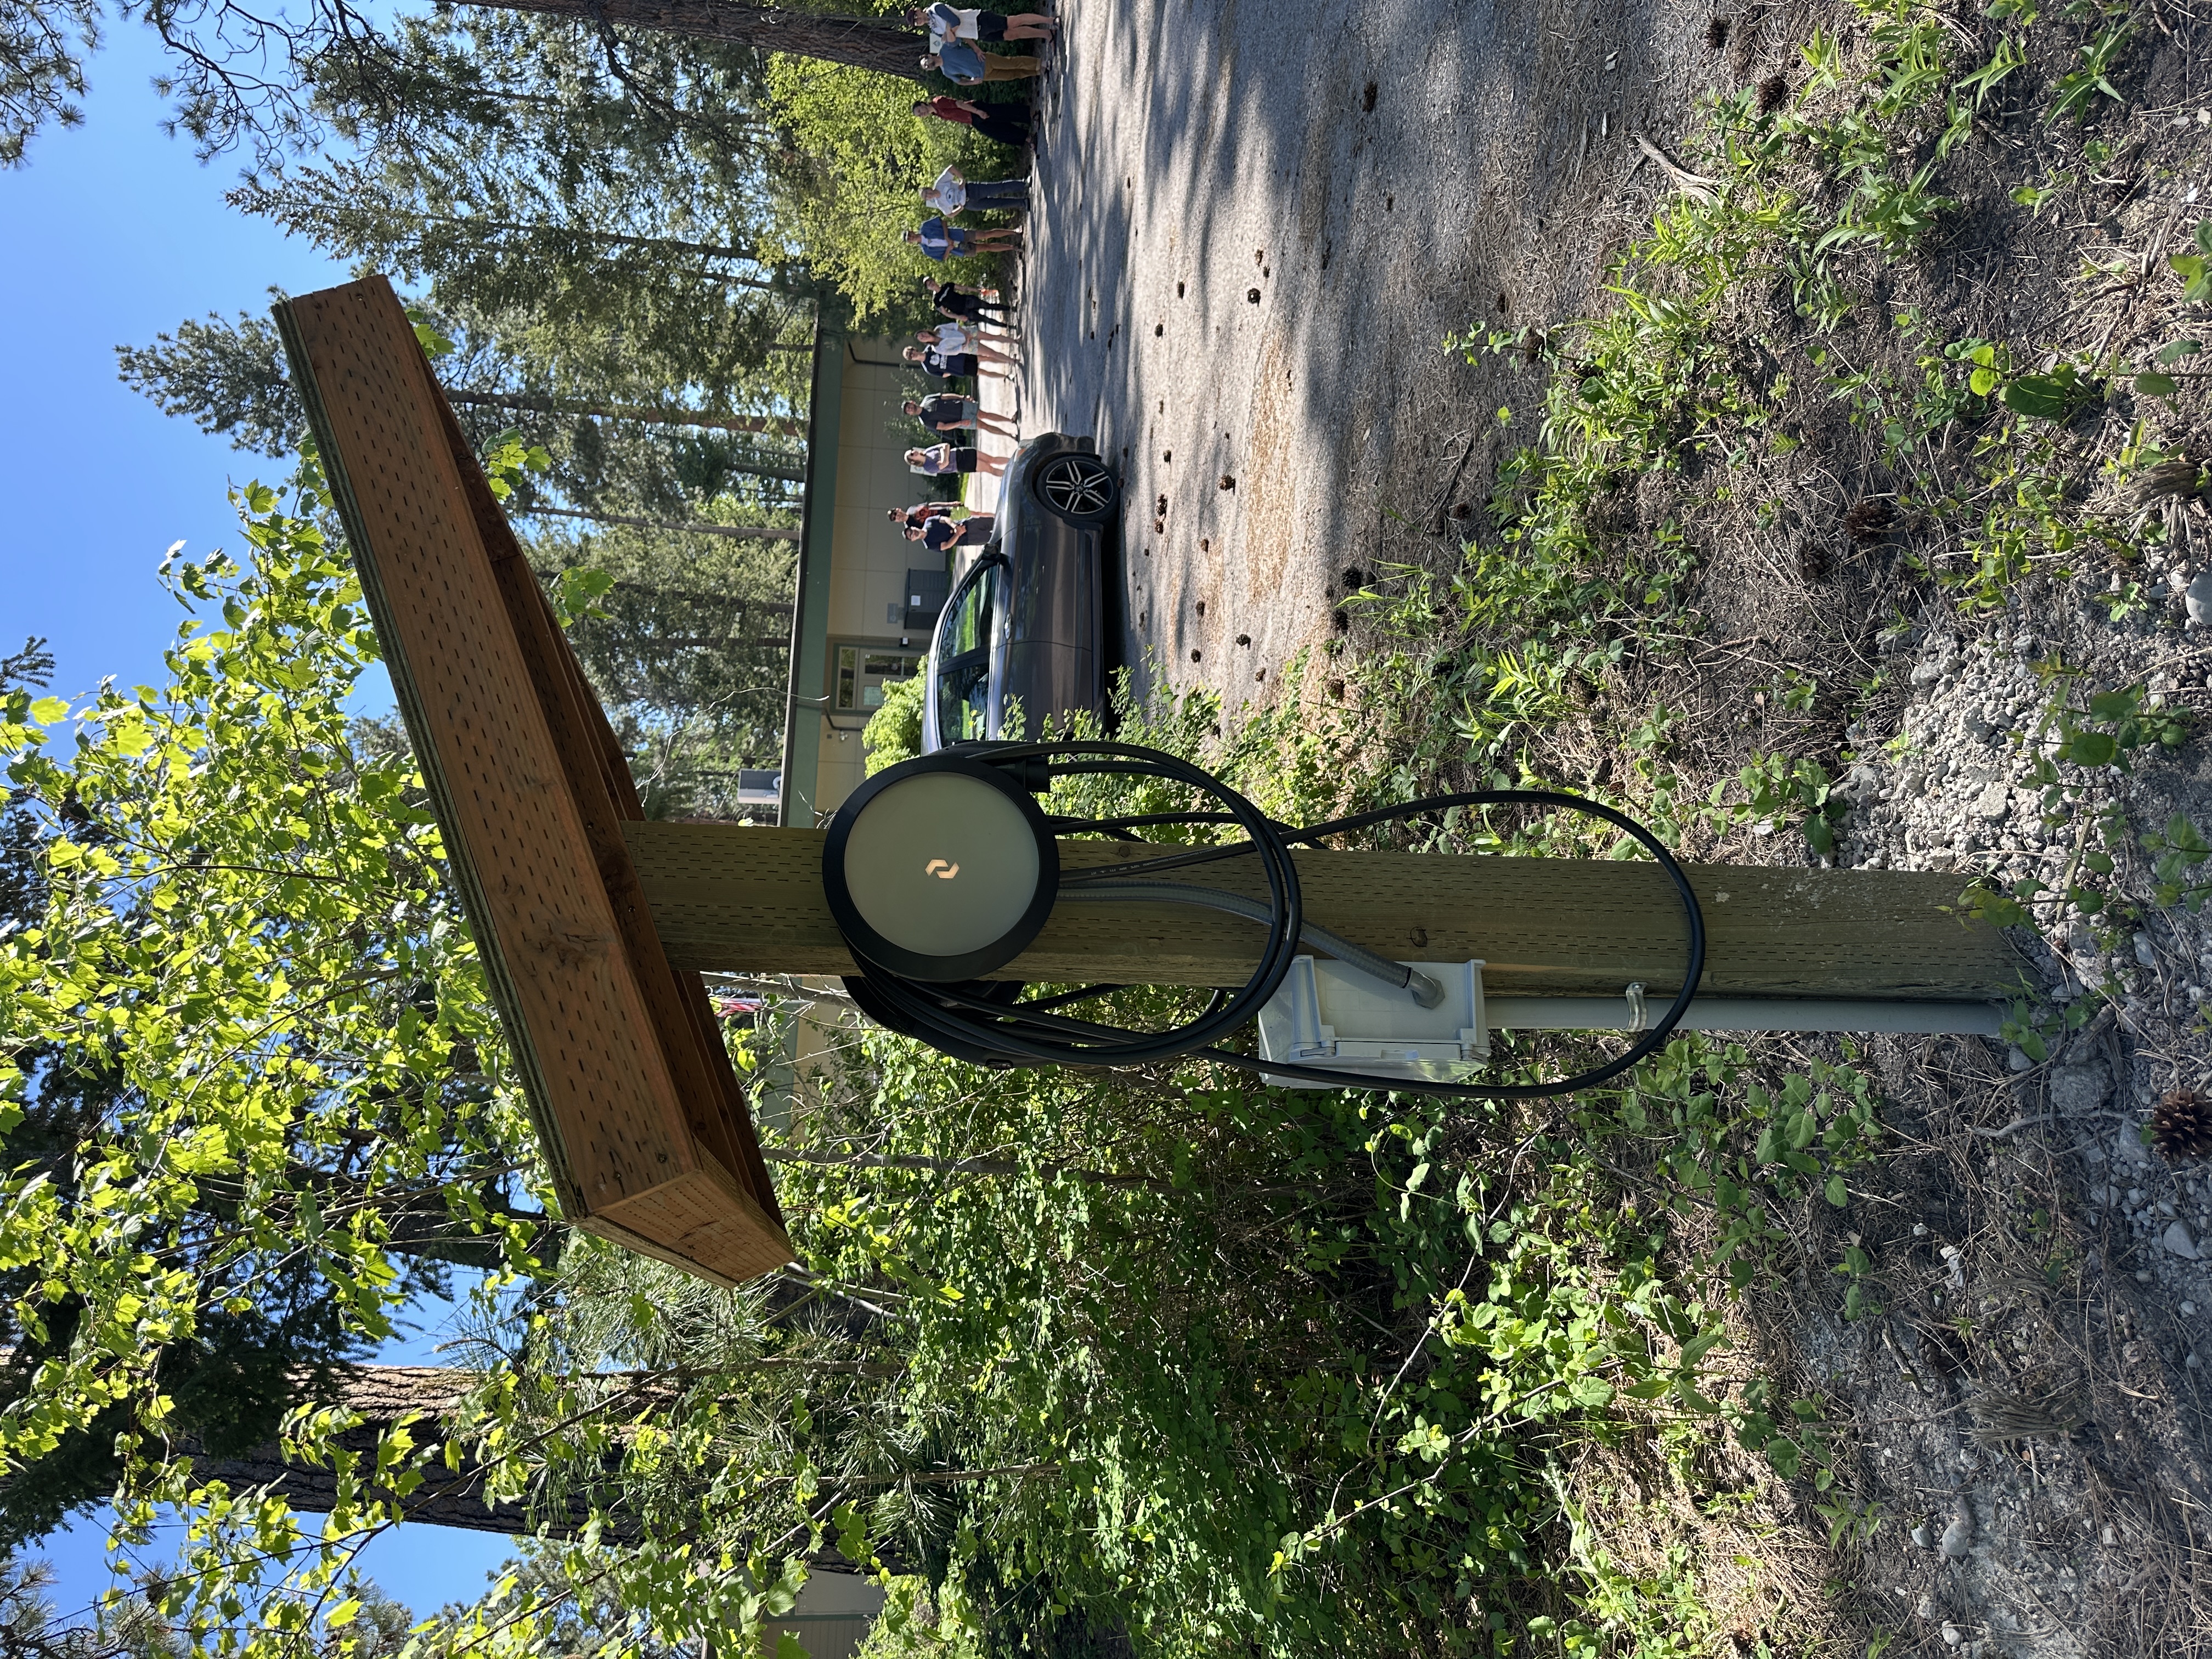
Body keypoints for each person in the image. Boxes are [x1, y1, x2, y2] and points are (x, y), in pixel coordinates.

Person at [912, 95, 1032, 148]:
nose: (922, 114)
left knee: (1003, 113)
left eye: (919, 110)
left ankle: (1031, 115)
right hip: (973, 121)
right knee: (999, 133)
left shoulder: (938, 102)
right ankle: (1027, 137)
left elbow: (959, 104)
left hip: (974, 111)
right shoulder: (936, 114)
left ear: (923, 104)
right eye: (919, 115)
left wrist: (977, 111)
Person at [921, 164, 1031, 217]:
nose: (929, 195)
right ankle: (1023, 202)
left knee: (998, 188)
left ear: (929, 188)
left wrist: (962, 180)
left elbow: (951, 168)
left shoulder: (939, 184)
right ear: (928, 199)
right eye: (927, 197)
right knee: (998, 204)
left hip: (972, 190)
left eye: (927, 192)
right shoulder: (940, 203)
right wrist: (960, 209)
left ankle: (1023, 184)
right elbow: (949, 215)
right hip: (971, 204)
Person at [905, 5, 1058, 42]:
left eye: (916, 17)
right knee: (1012, 35)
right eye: (916, 22)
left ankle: (1050, 21)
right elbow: (949, 43)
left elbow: (955, 21)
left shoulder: (935, 8)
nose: (918, 20)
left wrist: (949, 32)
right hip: (977, 34)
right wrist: (949, 33)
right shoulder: (934, 31)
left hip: (977, 20)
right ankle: (1046, 34)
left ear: (918, 11)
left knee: (1013, 22)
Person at [905, 393, 1016, 440]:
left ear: (912, 402)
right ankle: (1010, 435)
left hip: (962, 406)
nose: (910, 409)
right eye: (908, 411)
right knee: (984, 426)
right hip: (961, 419)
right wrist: (960, 423)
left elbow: (946, 396)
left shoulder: (927, 399)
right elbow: (943, 427)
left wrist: (962, 398)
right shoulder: (925, 422)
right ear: (910, 414)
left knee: (984, 414)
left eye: (909, 406)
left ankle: (1011, 420)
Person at [907, 217, 1020, 261]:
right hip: (959, 249)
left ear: (912, 231)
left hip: (960, 235)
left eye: (910, 234)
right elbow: (943, 259)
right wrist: (949, 249)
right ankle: (1012, 248)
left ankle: (1014, 232)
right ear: (911, 243)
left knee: (986, 234)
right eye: (909, 239)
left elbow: (943, 221)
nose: (911, 237)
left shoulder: (925, 227)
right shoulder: (926, 250)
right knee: (987, 247)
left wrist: (947, 237)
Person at [922, 45, 1042, 83]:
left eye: (926, 63)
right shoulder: (945, 72)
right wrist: (972, 82)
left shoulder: (945, 48)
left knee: (1012, 63)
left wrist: (977, 50)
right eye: (926, 68)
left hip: (985, 60)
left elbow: (960, 38)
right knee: (1011, 76)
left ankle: (1040, 63)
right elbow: (960, 81)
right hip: (984, 76)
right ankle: (1037, 71)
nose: (928, 67)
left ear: (929, 56)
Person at [923, 275, 1012, 324]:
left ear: (934, 281)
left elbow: (963, 288)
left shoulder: (947, 286)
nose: (931, 284)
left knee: (989, 306)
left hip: (968, 301)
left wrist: (978, 291)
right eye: (928, 285)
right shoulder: (936, 300)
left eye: (931, 282)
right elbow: (946, 313)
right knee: (986, 320)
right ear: (928, 289)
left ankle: (1011, 309)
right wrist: (959, 317)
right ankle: (1008, 327)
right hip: (963, 312)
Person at [904, 342, 1010, 383]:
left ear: (915, 349)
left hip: (961, 356)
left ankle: (1007, 361)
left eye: (912, 352)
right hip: (961, 369)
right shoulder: (928, 368)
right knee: (983, 372)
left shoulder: (931, 348)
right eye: (911, 357)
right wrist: (952, 369)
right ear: (912, 360)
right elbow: (943, 375)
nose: (913, 355)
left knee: (984, 358)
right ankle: (1006, 376)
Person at [917, 320, 1017, 359]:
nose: (924, 337)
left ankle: (1015, 341)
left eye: (922, 334)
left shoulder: (939, 329)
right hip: (967, 346)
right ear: (923, 342)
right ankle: (1013, 361)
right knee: (991, 353)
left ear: (925, 331)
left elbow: (954, 326)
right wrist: (964, 344)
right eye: (922, 338)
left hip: (967, 332)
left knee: (992, 337)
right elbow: (953, 352)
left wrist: (965, 333)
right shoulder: (937, 349)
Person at [909, 512, 996, 554]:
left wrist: (955, 527)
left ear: (914, 527)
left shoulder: (929, 521)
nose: (913, 533)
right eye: (911, 536)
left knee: (995, 522)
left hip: (967, 524)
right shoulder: (929, 545)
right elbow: (947, 545)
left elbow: (945, 519)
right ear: (913, 540)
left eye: (911, 531)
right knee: (994, 538)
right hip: (967, 538)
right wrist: (957, 534)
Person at [907, 443, 1008, 478]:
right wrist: (944, 454)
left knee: (991, 459)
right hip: (961, 464)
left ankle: (1015, 460)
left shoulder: (928, 451)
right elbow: (945, 464)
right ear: (913, 461)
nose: (914, 452)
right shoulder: (928, 467)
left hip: (960, 452)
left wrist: (943, 456)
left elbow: (945, 445)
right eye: (911, 455)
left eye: (912, 451)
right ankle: (1010, 474)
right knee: (990, 469)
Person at [888, 501, 955, 531]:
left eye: (895, 514)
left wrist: (949, 504)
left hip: (948, 512)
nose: (896, 517)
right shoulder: (910, 528)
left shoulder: (911, 509)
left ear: (898, 510)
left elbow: (930, 506)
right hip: (946, 526)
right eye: (894, 519)